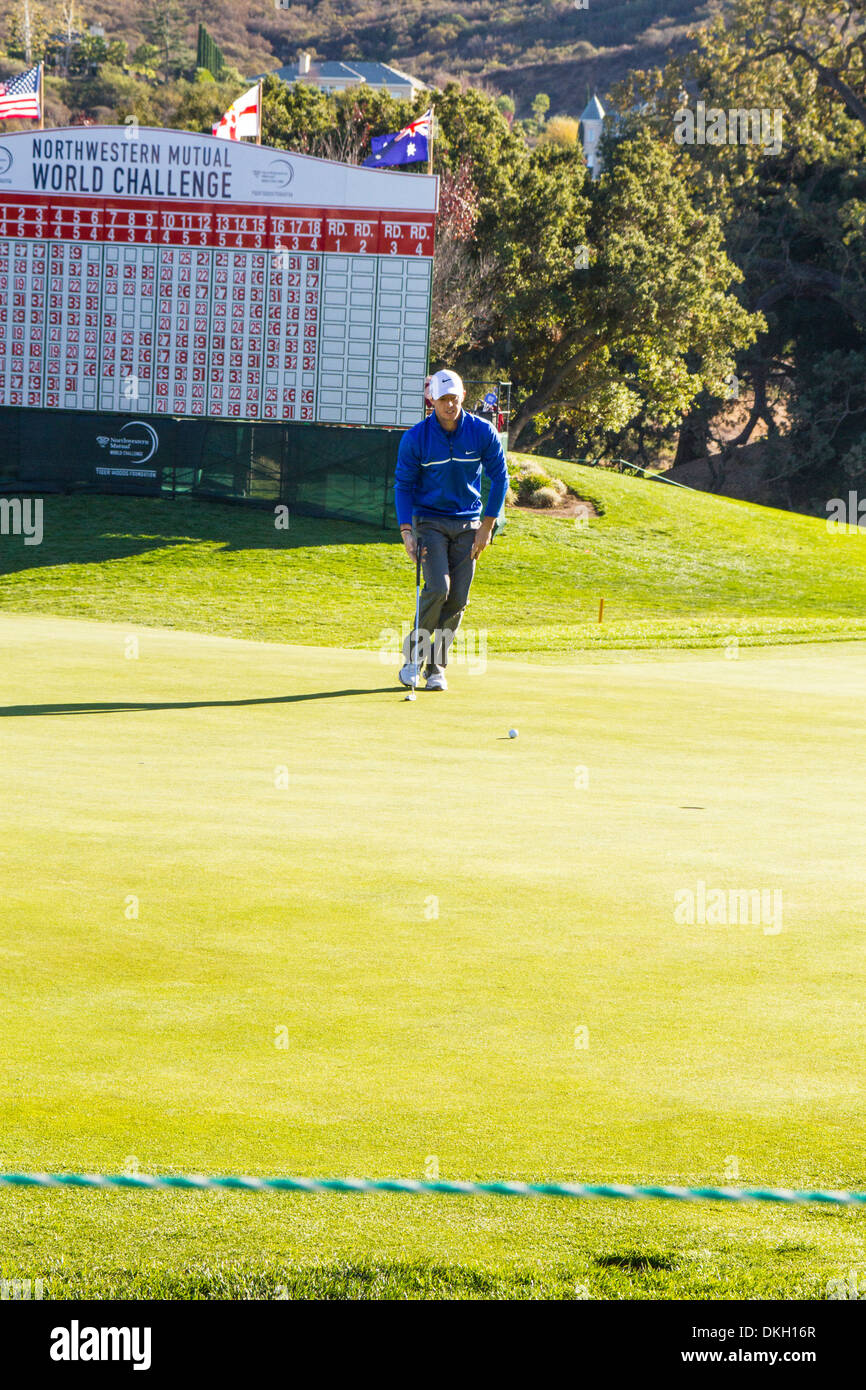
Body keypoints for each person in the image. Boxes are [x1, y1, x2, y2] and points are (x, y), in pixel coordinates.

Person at [394, 368, 509, 692]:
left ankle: (436, 668)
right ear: (432, 400)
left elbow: (500, 478)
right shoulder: (416, 437)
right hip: (429, 522)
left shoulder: (481, 432)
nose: (449, 405)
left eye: (454, 399)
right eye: (443, 399)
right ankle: (412, 661)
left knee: (457, 598)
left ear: (462, 398)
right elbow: (403, 485)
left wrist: (488, 526)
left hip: (469, 524)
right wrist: (406, 531)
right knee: (438, 589)